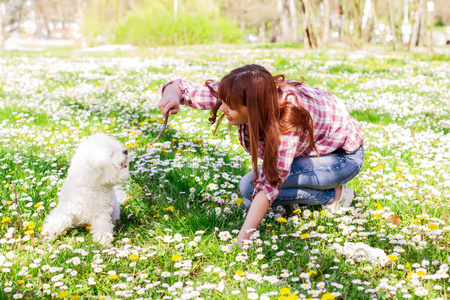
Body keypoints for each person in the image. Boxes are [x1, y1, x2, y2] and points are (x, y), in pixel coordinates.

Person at [158, 64, 364, 244]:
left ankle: (333, 195)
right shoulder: (242, 92)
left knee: (250, 188)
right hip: (314, 151)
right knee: (254, 189)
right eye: (222, 101)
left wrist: (242, 240)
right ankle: (306, 193)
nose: (222, 109)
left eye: (231, 107)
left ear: (253, 109)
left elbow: (270, 183)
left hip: (342, 158)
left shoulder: (285, 122)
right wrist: (172, 96)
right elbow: (182, 88)